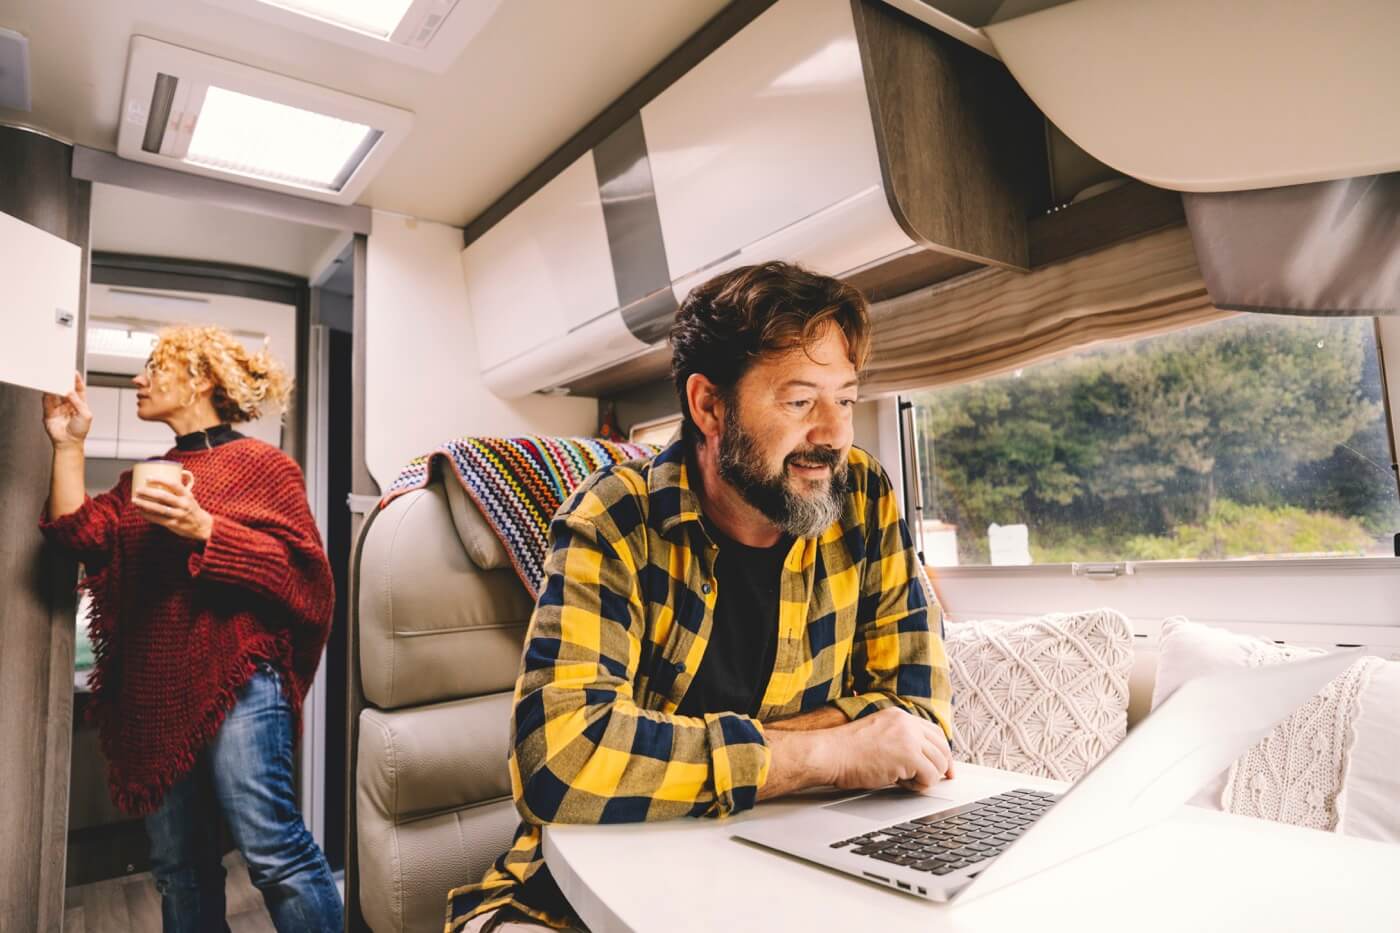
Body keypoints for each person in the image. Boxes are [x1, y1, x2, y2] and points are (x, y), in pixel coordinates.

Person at [449, 262, 954, 932]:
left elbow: (918, 719)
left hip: (797, 870)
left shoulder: (864, 496)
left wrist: (664, 750)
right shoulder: (610, 522)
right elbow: (563, 757)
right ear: (709, 406)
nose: (833, 433)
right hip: (581, 885)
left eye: (847, 399)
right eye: (801, 401)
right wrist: (826, 752)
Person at [40, 325, 342, 932]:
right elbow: (77, 534)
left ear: (201, 378)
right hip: (154, 697)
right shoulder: (143, 478)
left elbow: (307, 579)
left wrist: (207, 529)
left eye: (155, 366)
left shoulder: (264, 465)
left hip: (242, 681)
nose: (138, 379)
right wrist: (69, 445)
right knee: (179, 867)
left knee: (273, 853)